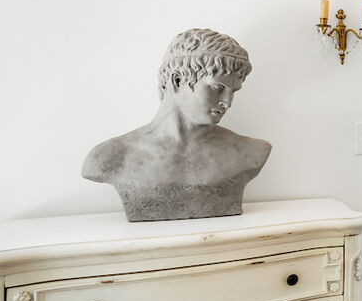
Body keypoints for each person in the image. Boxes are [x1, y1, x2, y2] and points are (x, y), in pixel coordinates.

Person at [82, 28, 271, 221]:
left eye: (234, 92)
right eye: (217, 88)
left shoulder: (249, 152)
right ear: (177, 80)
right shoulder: (110, 157)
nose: (227, 102)